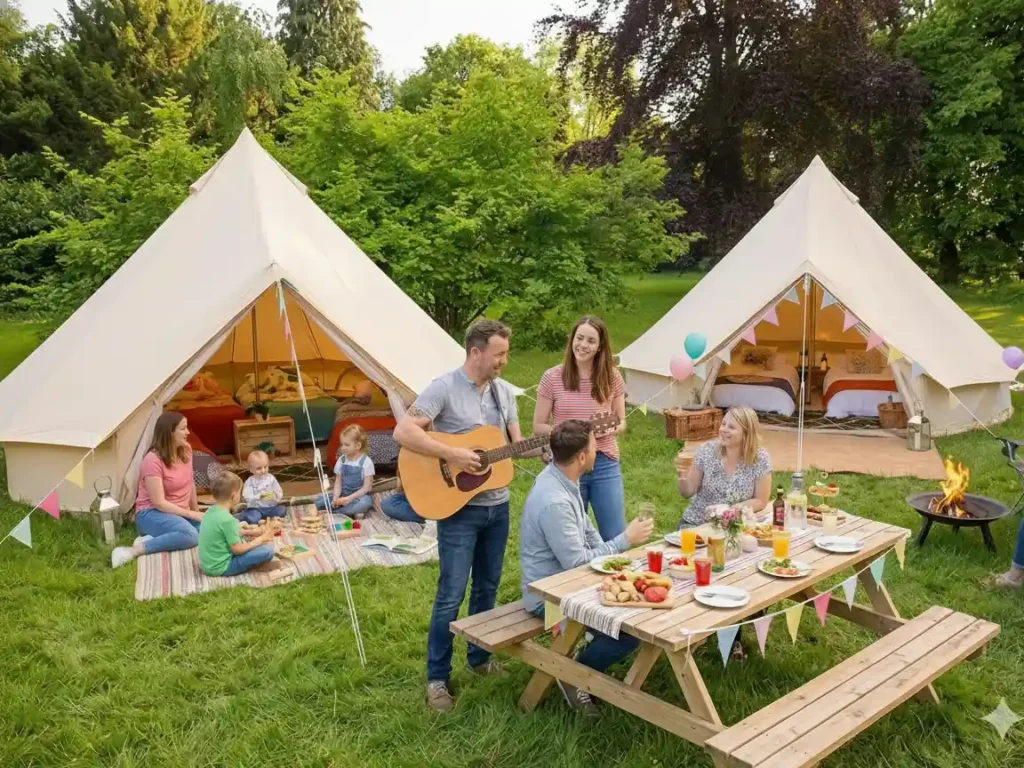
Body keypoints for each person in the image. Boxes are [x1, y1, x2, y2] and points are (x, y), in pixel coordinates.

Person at [382, 318, 535, 712]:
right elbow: (403, 432)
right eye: (499, 353)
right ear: (475, 352)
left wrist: (555, 444)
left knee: (487, 586)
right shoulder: (444, 388)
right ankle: (437, 678)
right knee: (451, 594)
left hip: (496, 506)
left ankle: (480, 659)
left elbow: (516, 446)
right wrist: (453, 454)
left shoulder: (504, 394)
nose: (504, 360)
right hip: (458, 509)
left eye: (506, 352)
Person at [520, 419, 654, 712]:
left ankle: (583, 664)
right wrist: (624, 540)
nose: (598, 452)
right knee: (628, 632)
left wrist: (619, 556)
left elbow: (588, 533)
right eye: (595, 447)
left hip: (570, 583)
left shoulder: (562, 478)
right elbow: (577, 563)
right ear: (581, 457)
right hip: (549, 596)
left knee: (639, 598)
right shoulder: (554, 500)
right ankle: (574, 674)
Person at [534, 316, 628, 541]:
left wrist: (609, 429)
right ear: (572, 339)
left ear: (600, 347)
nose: (583, 345)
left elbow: (622, 421)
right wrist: (569, 435)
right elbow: (538, 426)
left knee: (615, 535)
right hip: (566, 463)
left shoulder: (611, 376)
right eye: (580, 338)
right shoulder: (552, 377)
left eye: (591, 341)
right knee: (571, 537)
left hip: (603, 461)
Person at [112, 411, 203, 569]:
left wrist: (197, 511)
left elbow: (190, 483)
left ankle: (154, 537)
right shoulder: (152, 460)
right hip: (151, 513)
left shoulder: (186, 450)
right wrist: (192, 514)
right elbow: (159, 503)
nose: (188, 432)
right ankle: (133, 550)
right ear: (170, 432)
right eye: (183, 429)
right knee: (191, 536)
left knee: (212, 527)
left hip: (178, 512)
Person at [676, 406, 773, 528]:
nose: (723, 429)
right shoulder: (707, 451)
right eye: (723, 424)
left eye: (731, 427)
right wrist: (683, 479)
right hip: (697, 524)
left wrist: (730, 512)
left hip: (735, 527)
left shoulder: (760, 459)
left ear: (746, 433)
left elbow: (760, 500)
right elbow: (688, 492)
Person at [198, 471, 280, 577]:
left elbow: (221, 533)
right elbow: (237, 550)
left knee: (250, 543)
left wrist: (245, 532)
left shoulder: (210, 511)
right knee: (267, 550)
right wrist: (259, 540)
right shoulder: (228, 520)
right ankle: (256, 565)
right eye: (239, 492)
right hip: (222, 567)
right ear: (233, 496)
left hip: (207, 565)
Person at [316, 424, 375, 519]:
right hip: (343, 495)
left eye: (347, 445)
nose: (343, 447)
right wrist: (336, 498)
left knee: (365, 503)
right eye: (342, 444)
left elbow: (366, 488)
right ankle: (348, 511)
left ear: (358, 445)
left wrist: (348, 499)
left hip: (358, 497)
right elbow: (338, 482)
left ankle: (337, 512)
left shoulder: (366, 462)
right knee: (319, 501)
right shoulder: (341, 460)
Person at [237, 450, 287, 525]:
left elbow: (278, 490)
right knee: (254, 518)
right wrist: (259, 496)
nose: (263, 470)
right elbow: (246, 496)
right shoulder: (250, 481)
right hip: (256, 508)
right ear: (251, 469)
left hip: (270, 507)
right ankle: (242, 515)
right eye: (259, 468)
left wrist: (276, 495)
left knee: (282, 510)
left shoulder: (271, 478)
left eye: (265, 467)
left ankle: (265, 518)